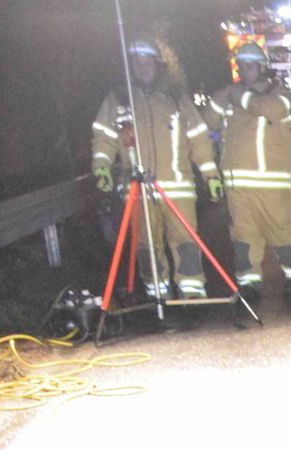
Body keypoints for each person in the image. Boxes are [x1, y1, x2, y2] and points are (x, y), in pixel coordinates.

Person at [89, 38, 221, 301]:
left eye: (147, 62)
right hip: (137, 187)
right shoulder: (119, 99)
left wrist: (210, 175)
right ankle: (156, 292)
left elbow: (198, 138)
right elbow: (104, 136)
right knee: (146, 246)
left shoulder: (176, 99)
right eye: (136, 63)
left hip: (177, 186)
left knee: (185, 241)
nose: (142, 68)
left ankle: (192, 290)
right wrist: (102, 166)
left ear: (158, 65)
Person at [208, 43, 291, 303]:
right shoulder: (230, 95)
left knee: (281, 233)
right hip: (237, 185)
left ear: (262, 68)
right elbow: (207, 122)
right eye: (241, 66)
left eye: (250, 66)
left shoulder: (279, 94)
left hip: (270, 184)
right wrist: (221, 99)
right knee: (244, 238)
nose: (245, 71)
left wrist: (238, 97)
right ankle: (249, 284)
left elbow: (273, 110)